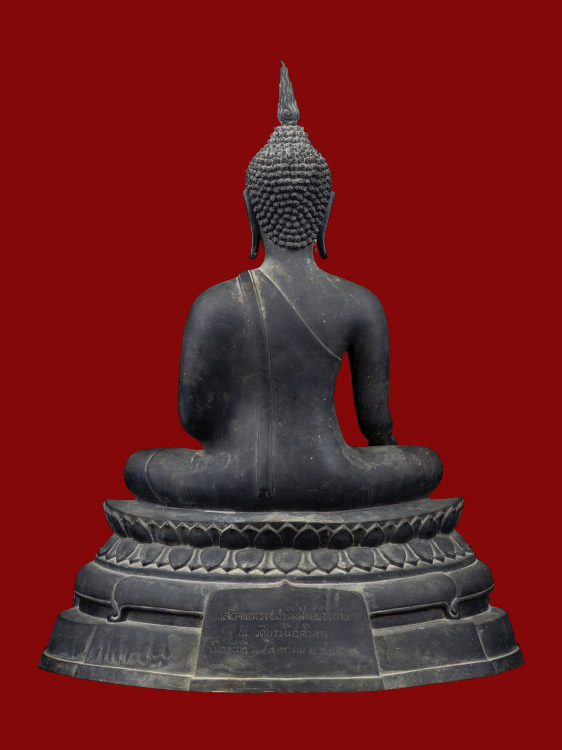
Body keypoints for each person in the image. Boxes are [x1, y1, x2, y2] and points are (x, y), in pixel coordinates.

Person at [124, 63, 442, 511]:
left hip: (228, 480)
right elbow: (376, 425)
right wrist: (385, 463)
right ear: (326, 210)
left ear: (250, 210)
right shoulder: (360, 303)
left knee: (140, 465)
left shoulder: (213, 304)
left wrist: (235, 439)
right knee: (426, 462)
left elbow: (192, 419)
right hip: (333, 478)